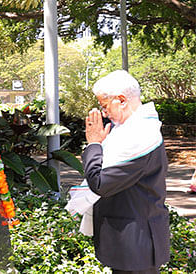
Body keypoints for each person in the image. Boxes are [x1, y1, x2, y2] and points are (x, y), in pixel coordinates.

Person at [67, 70, 169, 273]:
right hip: (131, 241)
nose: (104, 114)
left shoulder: (139, 135)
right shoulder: (132, 129)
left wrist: (94, 145)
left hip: (135, 243)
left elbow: (101, 184)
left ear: (121, 100)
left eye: (105, 107)